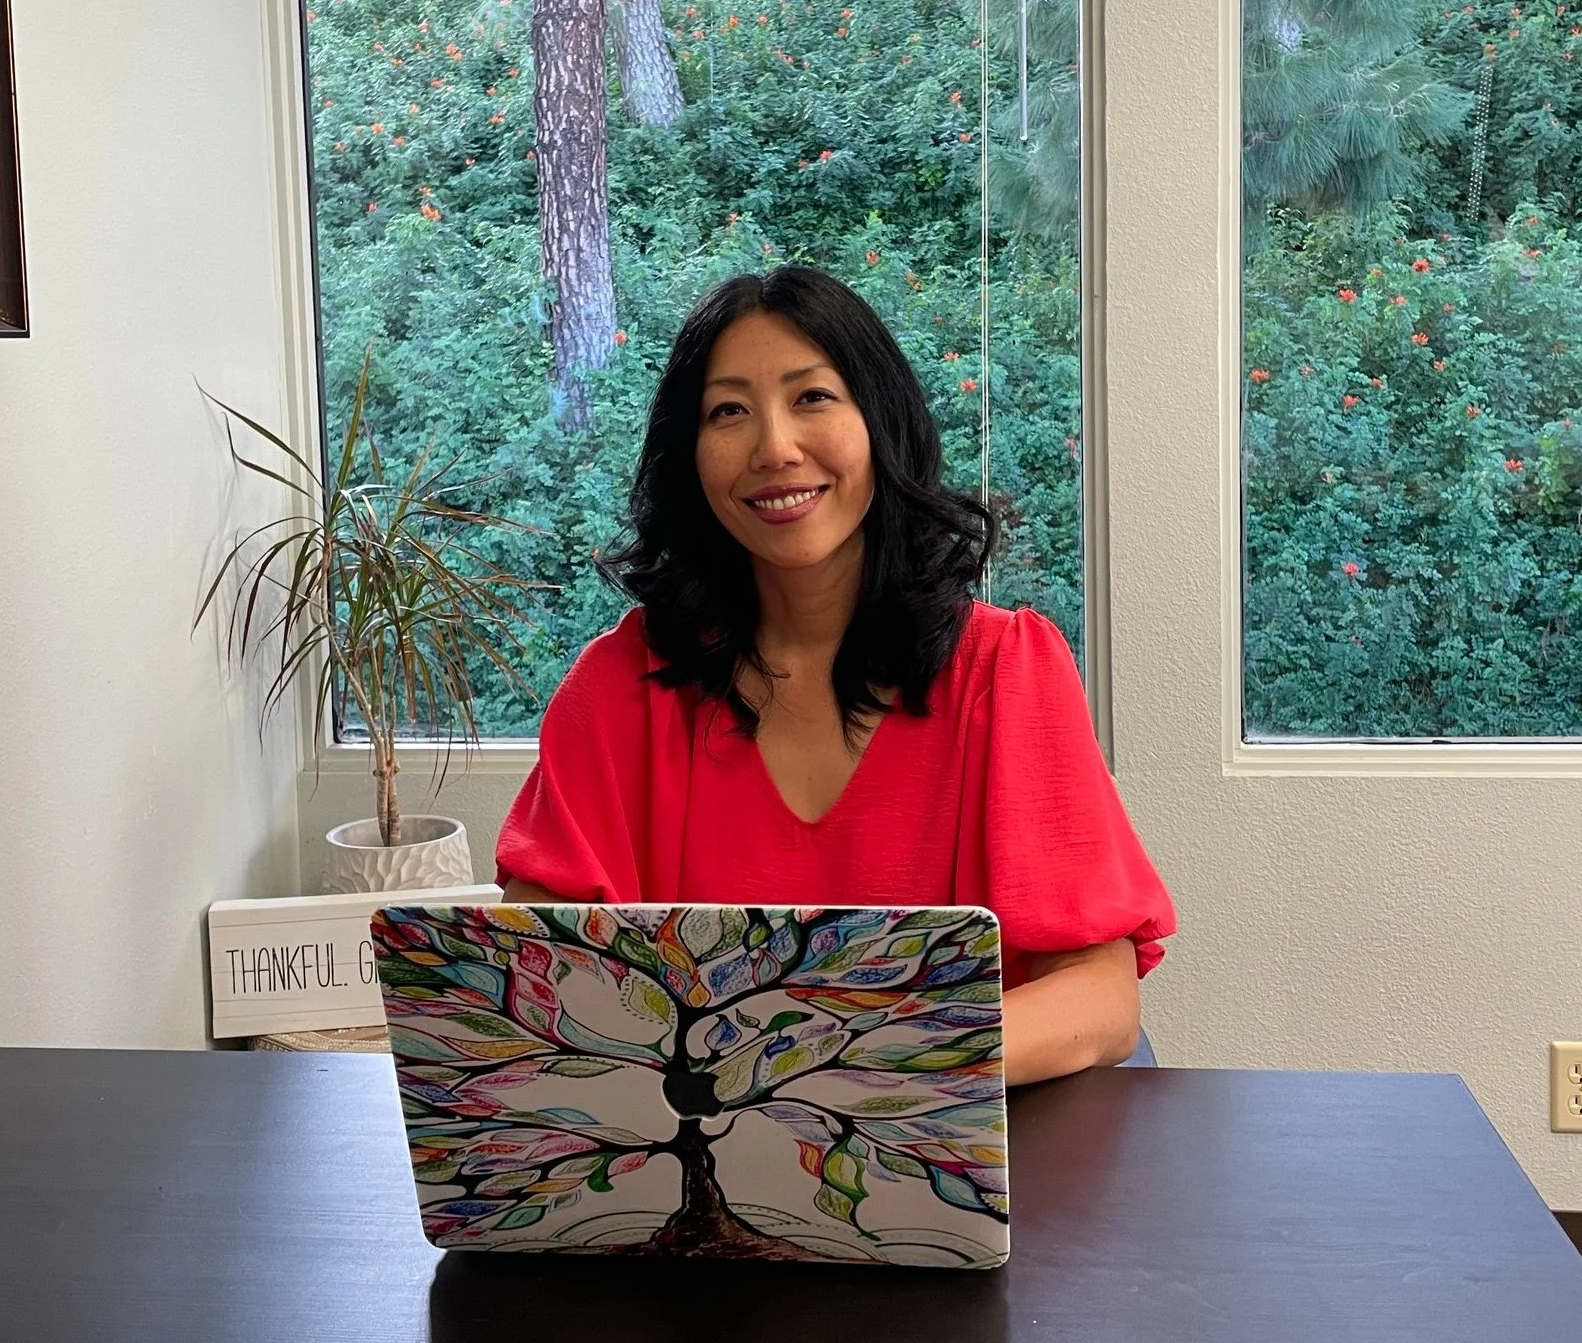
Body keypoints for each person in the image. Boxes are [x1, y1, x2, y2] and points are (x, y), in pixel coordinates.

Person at [498, 265, 1175, 1086]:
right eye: (728, 411)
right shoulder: (617, 691)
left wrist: (845, 1063)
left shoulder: (1004, 671)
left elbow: (1100, 999)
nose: (774, 447)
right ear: (690, 454)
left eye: (811, 397)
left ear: (879, 421)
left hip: (972, 1161)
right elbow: (529, 977)